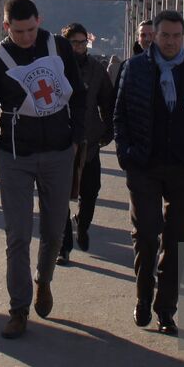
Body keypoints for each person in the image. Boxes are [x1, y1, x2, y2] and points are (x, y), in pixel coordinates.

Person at [0, 0, 86, 339]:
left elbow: (79, 94)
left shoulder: (59, 46)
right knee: (18, 235)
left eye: (31, 29)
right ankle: (18, 308)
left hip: (57, 151)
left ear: (40, 20)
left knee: (54, 230)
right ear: (6, 26)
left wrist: (75, 138)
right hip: (15, 156)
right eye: (18, 31)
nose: (25, 37)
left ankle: (44, 279)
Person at [113, 9, 184, 335]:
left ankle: (166, 308)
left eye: (176, 36)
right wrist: (126, 155)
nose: (171, 42)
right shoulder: (135, 68)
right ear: (153, 36)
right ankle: (144, 295)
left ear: (183, 36)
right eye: (165, 35)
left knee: (177, 239)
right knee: (145, 233)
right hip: (145, 165)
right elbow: (120, 116)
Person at [57, 23, 115, 263]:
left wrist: (108, 130)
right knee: (59, 195)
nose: (79, 47)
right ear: (65, 44)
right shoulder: (55, 67)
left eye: (83, 42)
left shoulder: (96, 69)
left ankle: (82, 224)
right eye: (74, 43)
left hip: (89, 141)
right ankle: (64, 246)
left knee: (90, 191)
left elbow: (108, 102)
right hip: (60, 140)